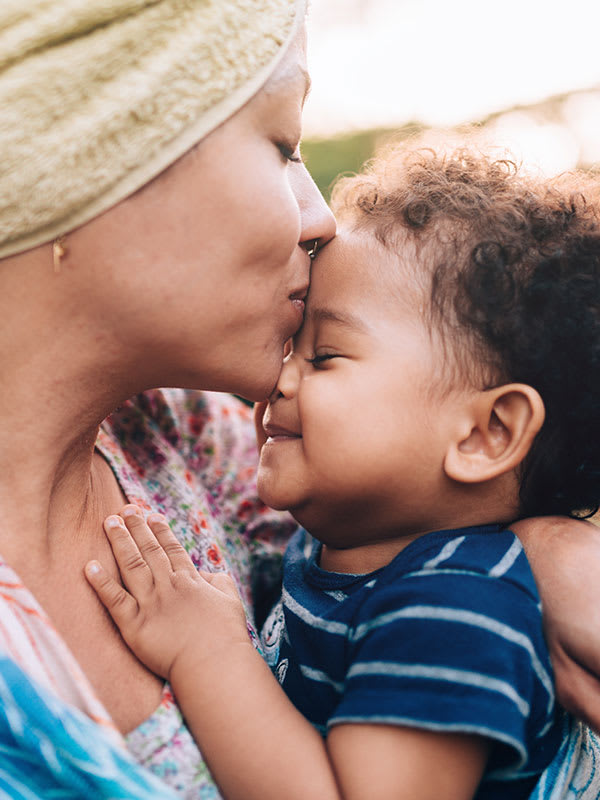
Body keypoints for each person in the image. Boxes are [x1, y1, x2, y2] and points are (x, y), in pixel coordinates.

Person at [1, 0, 600, 796]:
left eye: (327, 355)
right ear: (98, 153)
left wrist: (544, 551)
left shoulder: (191, 444)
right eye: (283, 145)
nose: (319, 218)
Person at [86, 144, 600, 800]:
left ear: (484, 434)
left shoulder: (454, 610)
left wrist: (206, 653)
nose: (281, 377)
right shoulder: (347, 549)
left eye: (325, 355)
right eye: (290, 347)